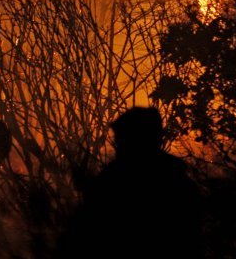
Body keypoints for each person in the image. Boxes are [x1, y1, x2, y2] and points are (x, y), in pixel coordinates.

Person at [57, 107, 204, 258]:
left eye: (121, 138)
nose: (117, 144)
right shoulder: (178, 179)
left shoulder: (115, 179)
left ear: (135, 139)